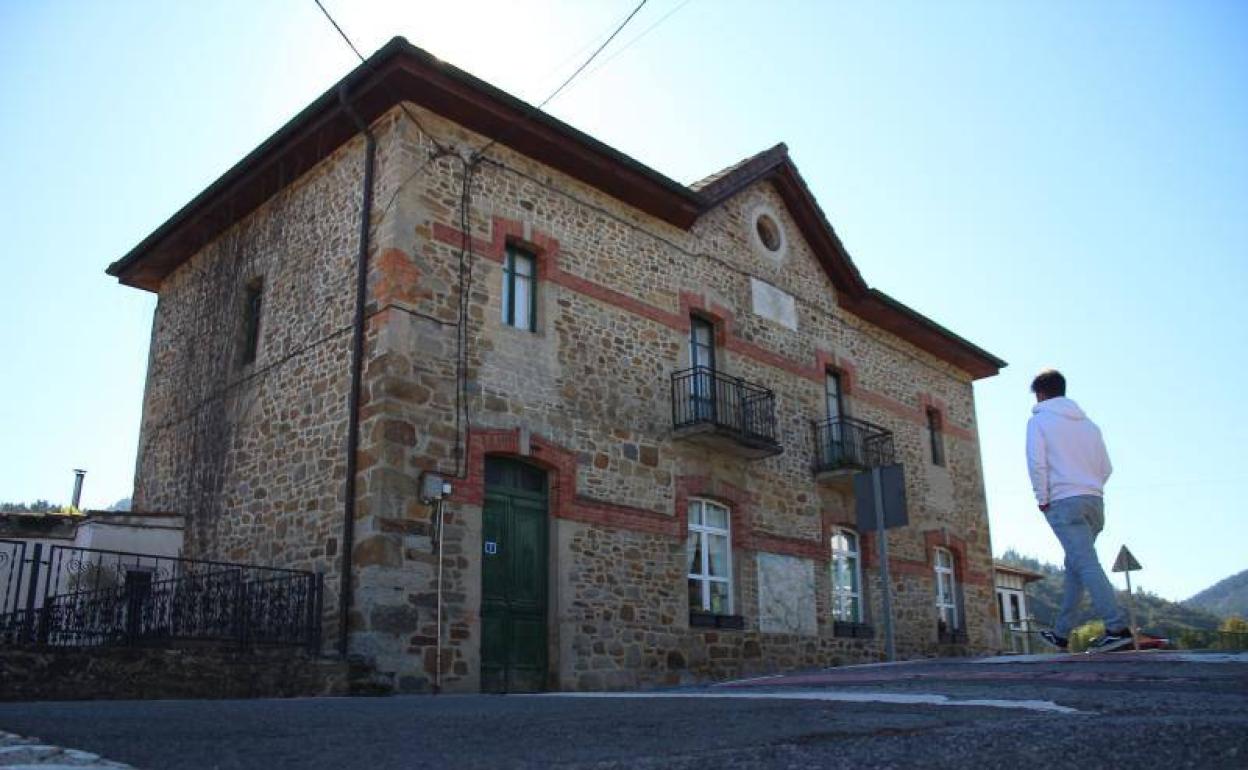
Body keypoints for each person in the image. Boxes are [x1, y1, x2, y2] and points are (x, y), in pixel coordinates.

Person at [1025, 369, 1132, 653]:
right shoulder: (1090, 426)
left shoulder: (1039, 422)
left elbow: (1037, 464)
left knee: (1085, 564)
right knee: (1076, 565)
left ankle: (1117, 628)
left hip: (1063, 502)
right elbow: (1107, 468)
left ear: (1040, 394)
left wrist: (1042, 499)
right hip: (1094, 502)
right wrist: (1090, 487)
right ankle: (1061, 634)